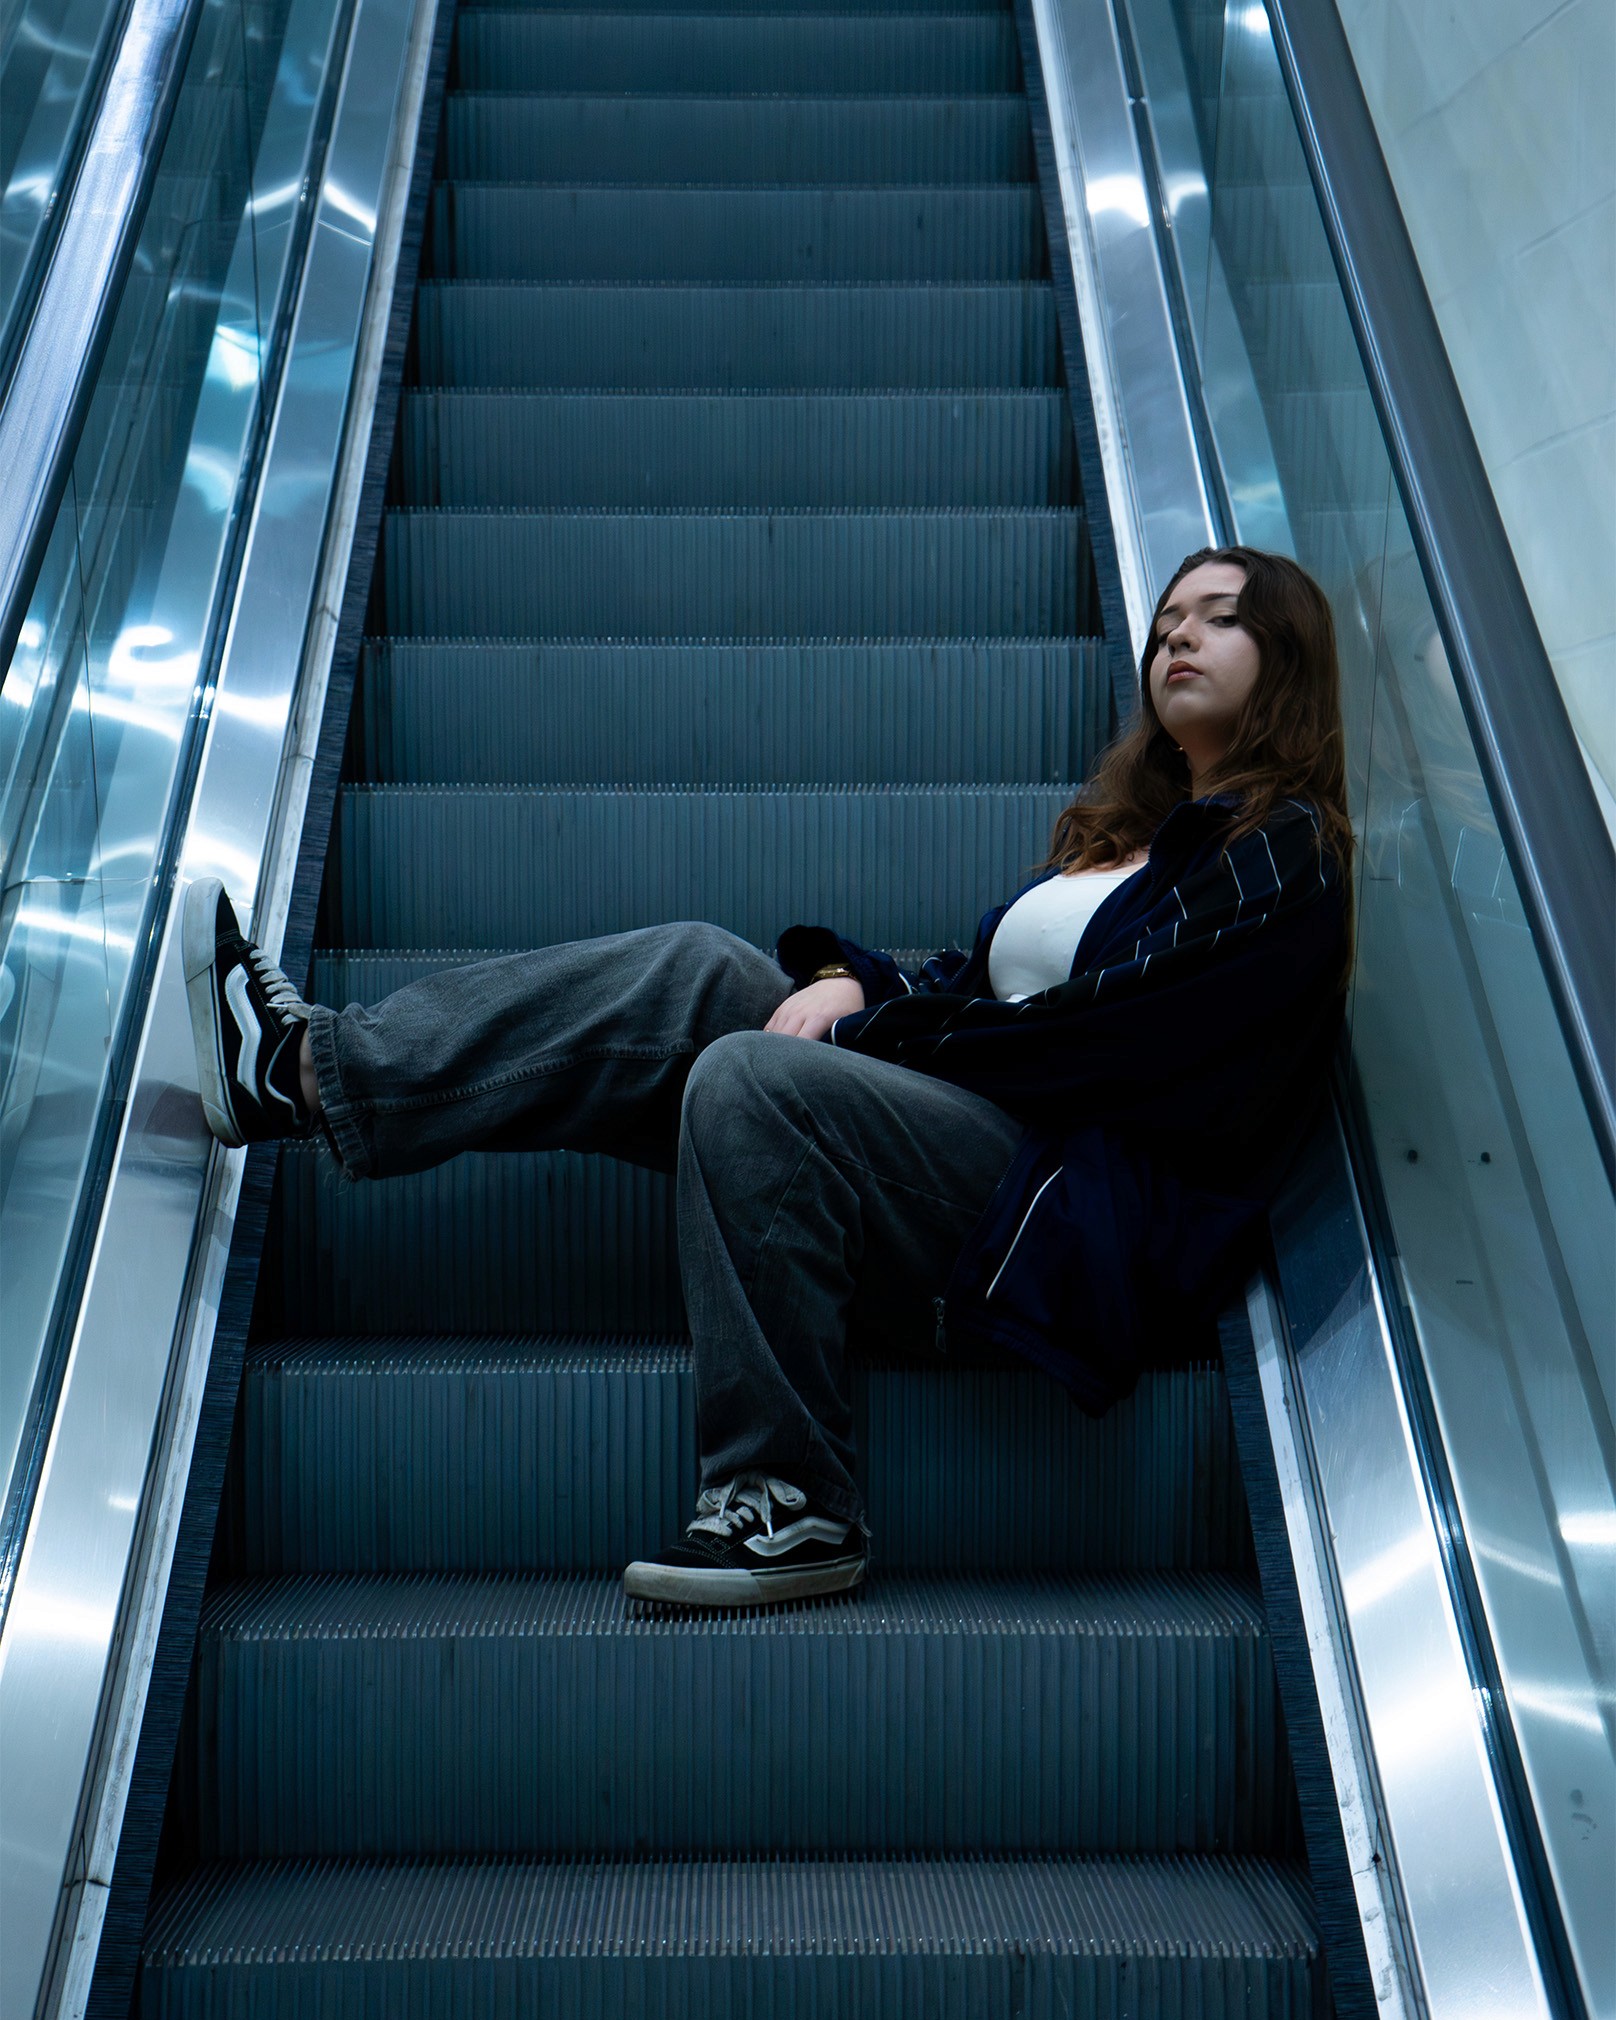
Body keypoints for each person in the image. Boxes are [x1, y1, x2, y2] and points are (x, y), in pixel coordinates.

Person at [182, 547, 1354, 1609]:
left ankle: (790, 1500)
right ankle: (308, 1073)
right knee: (692, 969)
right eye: (1164, 622)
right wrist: (853, 982)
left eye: (1218, 617)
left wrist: (868, 1034)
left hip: (1061, 1220)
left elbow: (1102, 1043)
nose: (1176, 637)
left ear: (1286, 656)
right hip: (973, 1144)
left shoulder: (1281, 852)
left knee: (753, 1078)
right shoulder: (1118, 843)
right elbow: (973, 989)